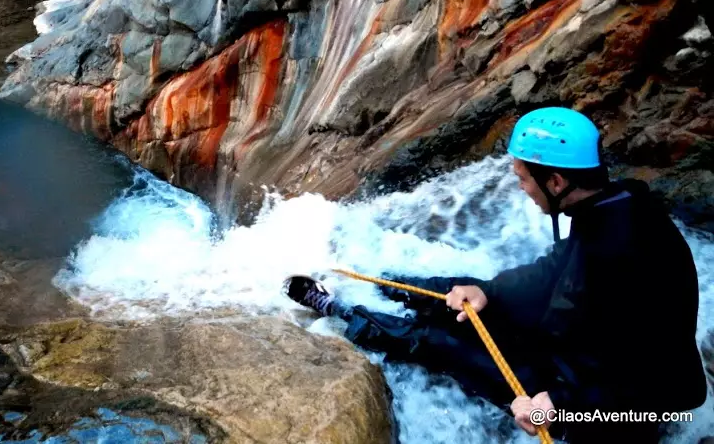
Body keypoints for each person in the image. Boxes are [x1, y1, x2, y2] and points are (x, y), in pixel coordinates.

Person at [283, 107, 707, 442]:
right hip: (587, 353)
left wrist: (558, 403)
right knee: (453, 297)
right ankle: (374, 281)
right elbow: (554, 273)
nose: (521, 188)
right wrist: (487, 291)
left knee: (437, 343)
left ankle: (336, 306)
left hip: (622, 403)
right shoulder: (615, 207)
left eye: (524, 179)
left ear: (556, 181)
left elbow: (646, 365)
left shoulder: (618, 248)